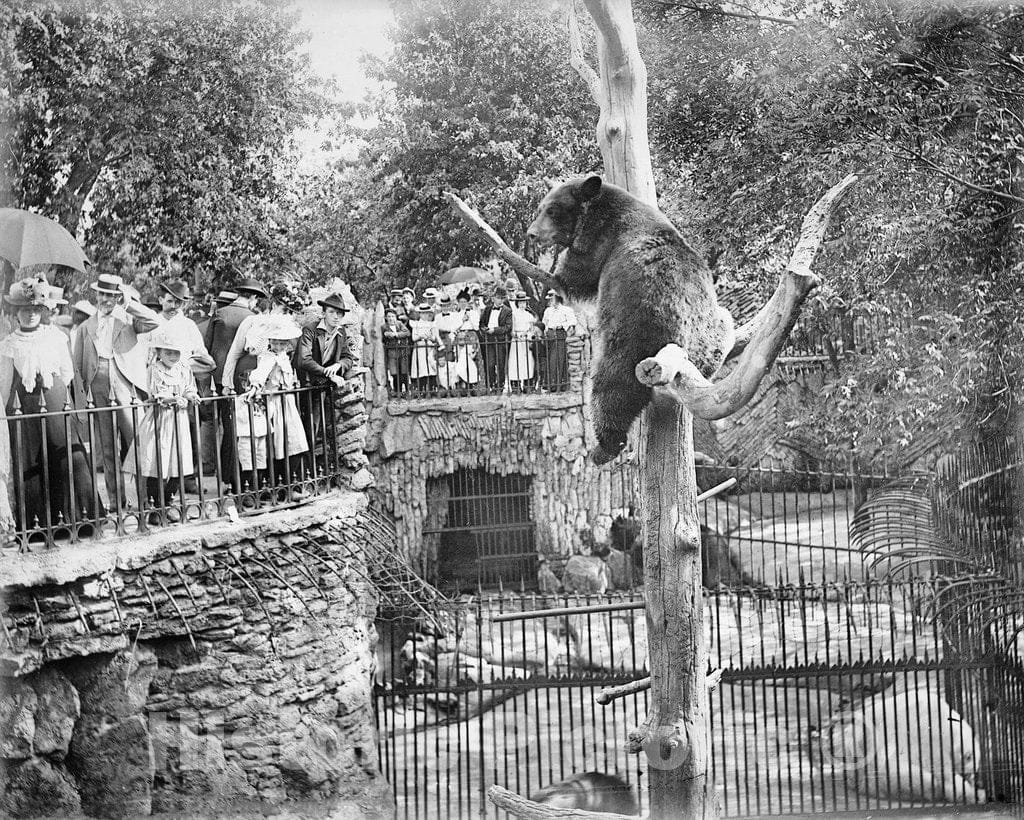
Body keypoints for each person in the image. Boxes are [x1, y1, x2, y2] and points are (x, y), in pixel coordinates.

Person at [1, 278, 102, 539]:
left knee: (66, 456)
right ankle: (37, 524)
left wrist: (56, 393)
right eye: (25, 309)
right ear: (16, 312)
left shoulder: (56, 336)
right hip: (24, 406)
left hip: (55, 399)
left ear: (44, 310)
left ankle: (80, 518)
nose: (31, 314)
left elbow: (67, 373)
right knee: (29, 460)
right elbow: (4, 382)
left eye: (36, 309)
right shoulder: (9, 343)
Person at [72, 273, 160, 510]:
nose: (106, 300)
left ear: (118, 297)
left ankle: (146, 500)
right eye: (102, 294)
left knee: (137, 443)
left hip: (126, 385)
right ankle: (116, 501)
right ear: (96, 295)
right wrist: (82, 398)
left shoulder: (129, 320)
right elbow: (78, 365)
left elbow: (154, 321)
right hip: (98, 385)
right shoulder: (85, 327)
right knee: (108, 448)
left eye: (111, 295)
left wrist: (129, 303)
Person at [125, 327, 199, 525]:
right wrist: (175, 399)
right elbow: (156, 394)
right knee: (157, 464)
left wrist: (191, 396)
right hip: (160, 421)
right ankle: (155, 507)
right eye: (168, 352)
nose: (173, 356)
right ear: (158, 352)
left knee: (178, 463)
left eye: (176, 352)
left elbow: (190, 387)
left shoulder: (183, 369)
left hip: (179, 422)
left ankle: (168, 502)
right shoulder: (154, 370)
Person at [236, 315, 309, 502]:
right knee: (281, 446)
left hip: (288, 403)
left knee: (295, 445)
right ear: (270, 342)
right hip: (275, 404)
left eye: (282, 342)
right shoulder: (267, 357)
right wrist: (254, 387)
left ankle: (289, 486)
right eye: (275, 342)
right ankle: (280, 487)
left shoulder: (285, 357)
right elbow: (259, 375)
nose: (279, 346)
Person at [203, 278, 266, 491]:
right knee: (244, 430)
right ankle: (239, 479)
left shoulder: (219, 314)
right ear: (253, 298)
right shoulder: (254, 318)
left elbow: (207, 348)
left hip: (222, 381)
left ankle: (228, 477)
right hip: (245, 380)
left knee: (228, 428)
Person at [541, 289, 576, 391]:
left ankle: (559, 384)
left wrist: (562, 326)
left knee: (558, 360)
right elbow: (545, 322)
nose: (550, 301)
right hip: (550, 336)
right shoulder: (548, 311)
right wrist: (547, 331)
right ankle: (550, 384)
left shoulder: (566, 310)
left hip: (560, 334)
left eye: (552, 298)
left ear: (557, 298)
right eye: (549, 299)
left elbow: (572, 321)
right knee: (550, 360)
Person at [478, 287, 512, 390]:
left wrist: (494, 330)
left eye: (502, 298)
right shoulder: (488, 309)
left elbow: (507, 327)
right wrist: (485, 329)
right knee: (490, 363)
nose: (500, 300)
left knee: (501, 363)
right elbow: (482, 323)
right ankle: (491, 384)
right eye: (498, 298)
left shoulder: (508, 311)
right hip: (489, 339)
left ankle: (500, 384)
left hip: (501, 340)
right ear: (493, 298)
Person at [506, 291, 538, 391]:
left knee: (527, 362)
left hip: (526, 341)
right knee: (516, 362)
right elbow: (512, 331)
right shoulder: (513, 314)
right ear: (517, 303)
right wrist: (518, 335)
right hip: (517, 341)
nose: (522, 304)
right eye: (520, 302)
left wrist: (528, 334)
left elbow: (532, 329)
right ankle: (516, 386)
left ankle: (527, 385)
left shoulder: (529, 315)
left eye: (524, 302)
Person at [408, 303, 442, 393]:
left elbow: (434, 338)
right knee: (421, 368)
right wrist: (420, 336)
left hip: (429, 347)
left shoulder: (431, 324)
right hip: (420, 347)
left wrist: (430, 337)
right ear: (419, 314)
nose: (425, 315)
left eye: (427, 313)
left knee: (430, 367)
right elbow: (413, 338)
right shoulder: (416, 324)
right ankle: (421, 390)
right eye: (422, 313)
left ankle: (431, 390)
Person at [381, 308, 411, 393]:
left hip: (402, 351)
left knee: (404, 371)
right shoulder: (384, 326)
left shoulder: (399, 324)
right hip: (392, 352)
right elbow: (382, 338)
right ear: (386, 318)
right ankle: (398, 392)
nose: (391, 319)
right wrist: (385, 335)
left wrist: (396, 334)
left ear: (396, 317)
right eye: (389, 317)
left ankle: (407, 391)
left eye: (393, 316)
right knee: (394, 373)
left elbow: (407, 333)